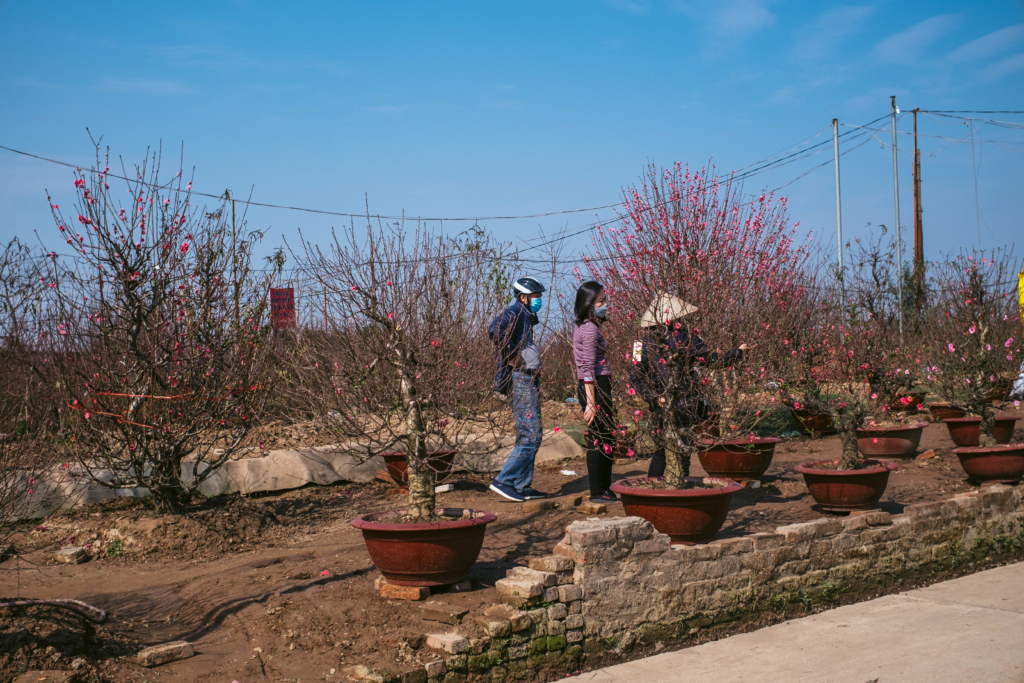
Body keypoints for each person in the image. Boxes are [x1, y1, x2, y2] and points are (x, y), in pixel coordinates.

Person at [629, 294, 748, 479]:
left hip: (662, 405)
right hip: (683, 401)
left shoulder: (639, 343)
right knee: (683, 452)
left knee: (661, 452)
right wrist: (738, 352)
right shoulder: (686, 338)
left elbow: (635, 376)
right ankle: (679, 490)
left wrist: (654, 397)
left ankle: (656, 491)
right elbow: (713, 360)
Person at [487, 276, 548, 502]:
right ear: (523, 297)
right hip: (520, 379)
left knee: (527, 433)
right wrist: (513, 356)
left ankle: (521, 486)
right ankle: (504, 480)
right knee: (532, 434)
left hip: (528, 379)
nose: (539, 300)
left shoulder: (526, 317)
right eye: (536, 297)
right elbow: (495, 330)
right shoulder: (514, 312)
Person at [572, 281, 617, 503]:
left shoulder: (585, 326)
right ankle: (598, 491)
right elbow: (588, 368)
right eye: (601, 301)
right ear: (590, 304)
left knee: (606, 436)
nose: (605, 304)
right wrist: (591, 402)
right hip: (595, 387)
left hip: (597, 385)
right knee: (599, 439)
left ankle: (604, 488)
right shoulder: (589, 330)